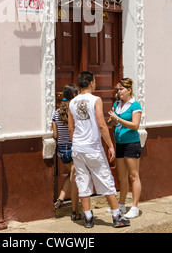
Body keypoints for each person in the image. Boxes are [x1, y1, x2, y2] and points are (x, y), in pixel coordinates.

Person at [68, 71, 130, 229]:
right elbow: (102, 124)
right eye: (94, 81)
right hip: (93, 148)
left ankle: (88, 217)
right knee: (105, 179)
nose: (95, 83)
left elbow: (70, 128)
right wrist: (110, 145)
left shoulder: (72, 102)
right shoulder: (96, 100)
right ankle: (116, 216)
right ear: (90, 83)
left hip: (78, 147)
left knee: (82, 181)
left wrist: (75, 142)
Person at [108, 77, 142, 219]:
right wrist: (112, 121)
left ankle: (134, 206)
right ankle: (121, 205)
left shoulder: (135, 105)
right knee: (122, 177)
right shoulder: (117, 104)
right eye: (118, 89)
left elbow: (135, 125)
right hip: (120, 143)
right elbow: (114, 124)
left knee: (133, 176)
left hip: (132, 144)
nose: (119, 92)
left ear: (129, 90)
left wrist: (118, 118)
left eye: (121, 89)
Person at [52, 84, 82, 221]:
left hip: (62, 150)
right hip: (73, 148)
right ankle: (75, 211)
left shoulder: (56, 113)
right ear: (75, 96)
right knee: (75, 179)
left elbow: (55, 134)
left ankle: (60, 199)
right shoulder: (75, 112)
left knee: (71, 175)